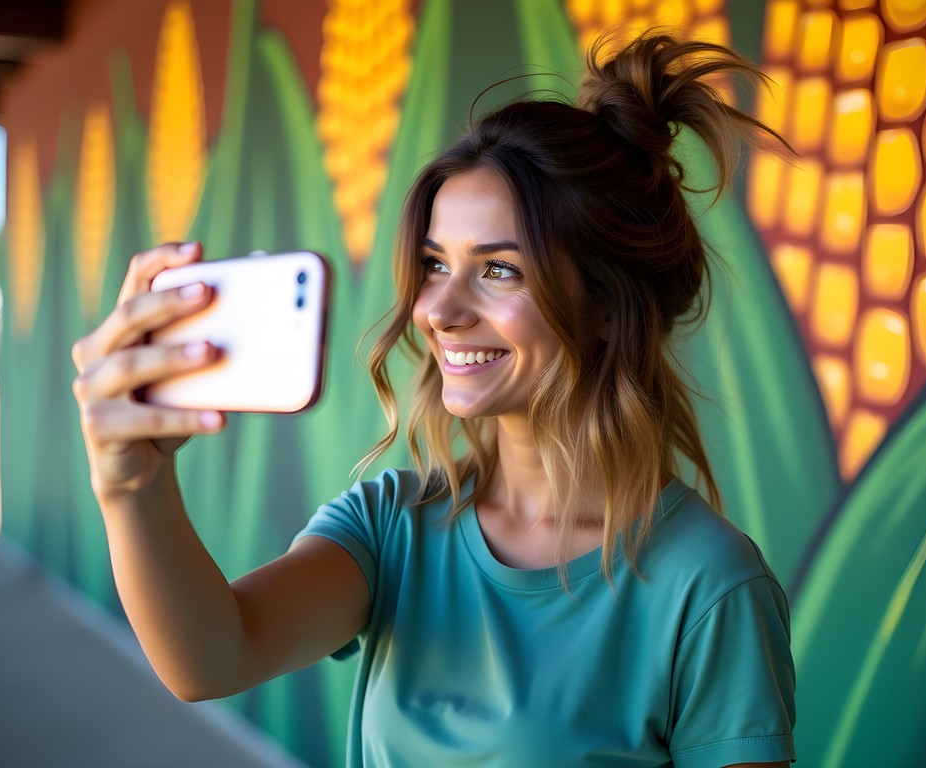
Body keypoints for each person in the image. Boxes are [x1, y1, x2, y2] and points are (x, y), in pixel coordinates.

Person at [73, 29, 795, 768]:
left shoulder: (709, 584)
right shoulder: (393, 525)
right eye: (434, 264)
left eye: (500, 270)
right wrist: (132, 485)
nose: (438, 310)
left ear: (608, 303)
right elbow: (213, 657)